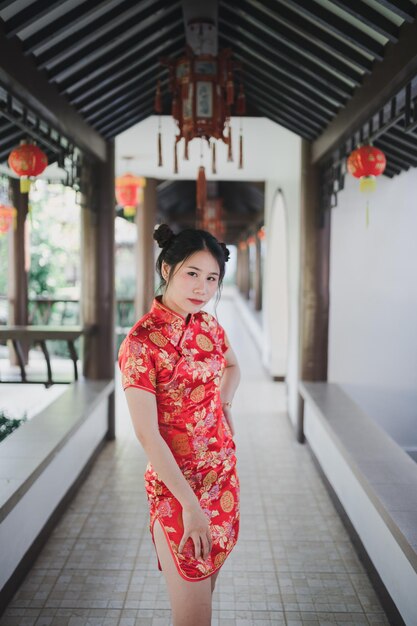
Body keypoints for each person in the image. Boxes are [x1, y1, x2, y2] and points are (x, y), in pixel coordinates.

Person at [118, 223, 241, 626]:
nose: (202, 288)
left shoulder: (207, 325)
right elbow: (145, 433)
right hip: (177, 490)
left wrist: (222, 404)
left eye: (212, 279)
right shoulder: (141, 343)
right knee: (193, 618)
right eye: (193, 274)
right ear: (167, 268)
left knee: (204, 597)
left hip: (221, 476)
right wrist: (189, 505)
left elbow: (234, 366)